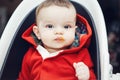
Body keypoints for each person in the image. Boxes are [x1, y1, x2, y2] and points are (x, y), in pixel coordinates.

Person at [18, 0, 96, 80]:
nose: (59, 32)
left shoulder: (81, 55)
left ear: (74, 31)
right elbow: (23, 78)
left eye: (66, 27)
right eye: (50, 26)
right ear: (38, 33)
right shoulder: (31, 55)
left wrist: (87, 76)